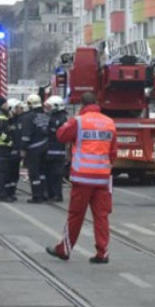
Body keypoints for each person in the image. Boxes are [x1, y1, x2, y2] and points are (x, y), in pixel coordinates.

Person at [45, 91, 116, 263]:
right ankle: (102, 253)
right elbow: (113, 152)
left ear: (82, 105)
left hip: (83, 177)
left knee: (76, 215)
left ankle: (64, 249)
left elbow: (61, 135)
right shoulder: (109, 122)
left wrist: (73, 119)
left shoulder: (79, 121)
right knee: (101, 216)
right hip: (102, 178)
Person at [21, 93, 50, 203]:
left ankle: (36, 195)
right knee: (42, 172)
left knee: (34, 173)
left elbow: (26, 135)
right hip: (45, 147)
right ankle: (44, 193)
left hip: (33, 149)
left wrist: (23, 148)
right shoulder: (45, 115)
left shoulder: (28, 117)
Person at [43, 96, 68, 203]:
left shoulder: (61, 118)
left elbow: (54, 133)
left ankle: (56, 195)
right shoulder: (56, 117)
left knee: (55, 174)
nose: (47, 109)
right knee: (50, 174)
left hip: (56, 151)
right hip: (52, 151)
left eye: (49, 107)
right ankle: (52, 194)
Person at [5, 99, 25, 200]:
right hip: (9, 151)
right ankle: (7, 193)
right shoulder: (7, 121)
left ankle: (12, 192)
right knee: (8, 172)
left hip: (18, 151)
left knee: (15, 173)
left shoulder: (21, 120)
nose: (20, 109)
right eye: (17, 107)